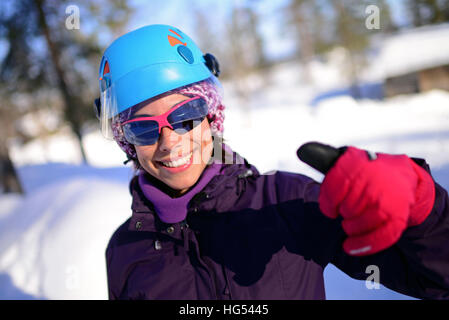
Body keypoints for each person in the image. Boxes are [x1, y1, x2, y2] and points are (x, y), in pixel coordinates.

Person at [97, 24, 449, 300]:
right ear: (127, 141)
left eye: (186, 114)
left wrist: (422, 209)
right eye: (143, 128)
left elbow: (435, 280)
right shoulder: (125, 251)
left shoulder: (284, 202)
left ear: (211, 116)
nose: (170, 141)